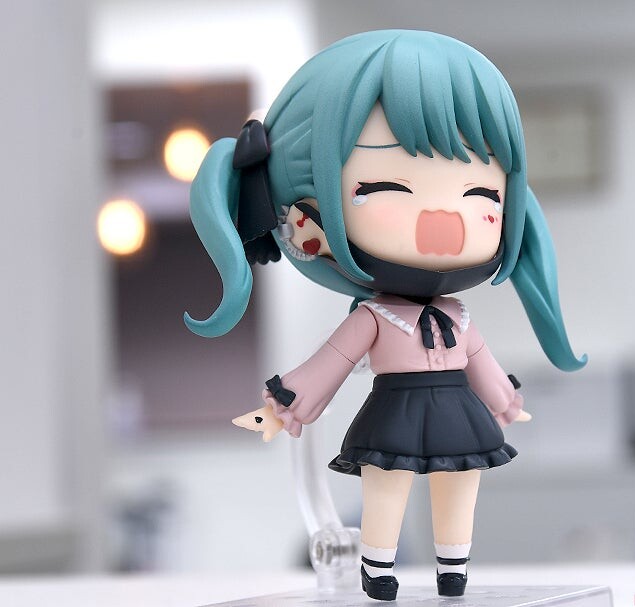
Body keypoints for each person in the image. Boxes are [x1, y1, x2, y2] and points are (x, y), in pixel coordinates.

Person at [185, 29, 586, 601]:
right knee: (387, 487)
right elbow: (330, 363)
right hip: (395, 411)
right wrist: (287, 404)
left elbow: (483, 364)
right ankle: (378, 569)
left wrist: (504, 400)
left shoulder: (459, 314)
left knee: (460, 485)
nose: (444, 220)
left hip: (457, 412)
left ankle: (453, 568)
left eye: (482, 194)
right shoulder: (374, 318)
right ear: (302, 210)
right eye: (385, 187)